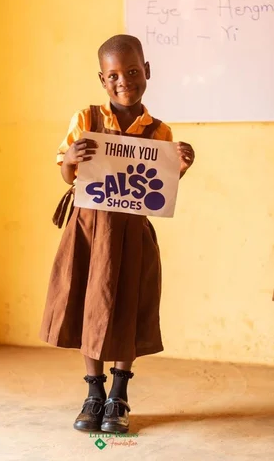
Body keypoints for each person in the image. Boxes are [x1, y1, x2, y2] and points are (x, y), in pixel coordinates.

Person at [40, 34, 195, 433]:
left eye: (131, 71)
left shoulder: (159, 133)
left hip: (130, 232)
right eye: (113, 75)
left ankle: (118, 397)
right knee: (86, 304)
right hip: (88, 231)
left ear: (147, 72)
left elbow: (159, 190)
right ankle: (94, 392)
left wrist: (179, 167)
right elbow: (66, 172)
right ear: (102, 79)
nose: (124, 80)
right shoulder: (86, 119)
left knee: (127, 304)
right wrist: (70, 160)